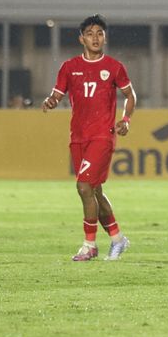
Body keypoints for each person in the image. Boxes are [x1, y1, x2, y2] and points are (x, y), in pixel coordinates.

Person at [42, 14, 136, 261]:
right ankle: (117, 239)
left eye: (100, 33)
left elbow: (130, 95)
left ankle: (89, 245)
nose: (96, 38)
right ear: (81, 38)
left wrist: (125, 120)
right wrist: (51, 101)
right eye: (91, 34)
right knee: (94, 190)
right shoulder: (69, 67)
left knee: (83, 186)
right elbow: (57, 93)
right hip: (78, 137)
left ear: (104, 38)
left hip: (102, 136)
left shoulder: (114, 67)